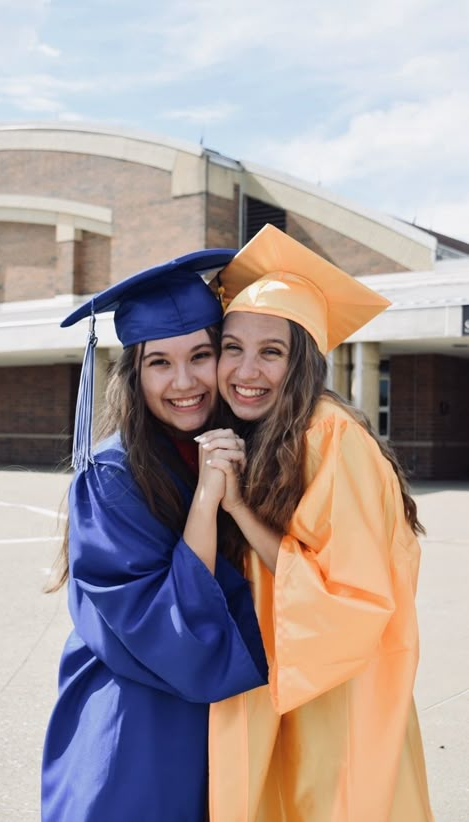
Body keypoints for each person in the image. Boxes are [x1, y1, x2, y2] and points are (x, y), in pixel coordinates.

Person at [198, 225, 434, 821]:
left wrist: (239, 510)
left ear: (301, 360)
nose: (246, 370)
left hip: (334, 690)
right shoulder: (267, 431)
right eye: (233, 347)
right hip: (285, 670)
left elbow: (348, 593)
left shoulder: (329, 436)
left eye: (271, 351)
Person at [41, 250, 268, 822]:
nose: (185, 381)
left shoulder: (226, 448)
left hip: (217, 718)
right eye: (159, 363)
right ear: (133, 372)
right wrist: (208, 500)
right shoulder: (112, 476)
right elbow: (166, 626)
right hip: (137, 724)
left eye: (201, 355)